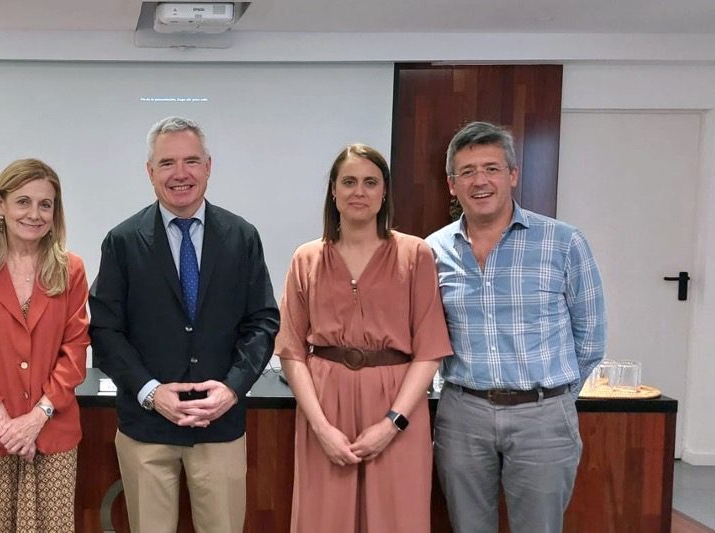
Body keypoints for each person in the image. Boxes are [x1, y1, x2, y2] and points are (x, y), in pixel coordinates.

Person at [89, 116, 279, 533]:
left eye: (191, 161)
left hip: (220, 424)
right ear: (149, 172)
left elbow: (262, 321)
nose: (180, 173)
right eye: (167, 163)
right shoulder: (122, 241)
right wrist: (151, 392)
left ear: (208, 167)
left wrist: (232, 388)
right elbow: (105, 331)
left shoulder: (242, 236)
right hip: (146, 427)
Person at [427, 121, 606, 533]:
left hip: (543, 415)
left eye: (491, 168)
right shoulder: (432, 250)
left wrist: (553, 401)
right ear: (452, 185)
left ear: (512, 175)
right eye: (467, 171)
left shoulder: (564, 242)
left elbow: (591, 338)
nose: (480, 181)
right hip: (463, 414)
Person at [274, 144, 452, 532]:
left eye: (370, 182)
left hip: (398, 407)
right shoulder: (306, 258)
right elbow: (291, 351)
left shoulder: (415, 254)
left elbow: (429, 351)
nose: (359, 191)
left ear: (384, 192)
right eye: (349, 182)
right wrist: (321, 428)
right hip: (325, 408)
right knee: (324, 520)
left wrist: (392, 423)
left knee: (398, 520)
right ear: (333, 191)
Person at [0, 159, 90, 533]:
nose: (34, 214)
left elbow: (75, 352)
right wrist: (7, 425)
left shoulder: (70, 269)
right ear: (0, 205)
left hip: (53, 433)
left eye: (45, 204)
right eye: (23, 202)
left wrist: (37, 417)